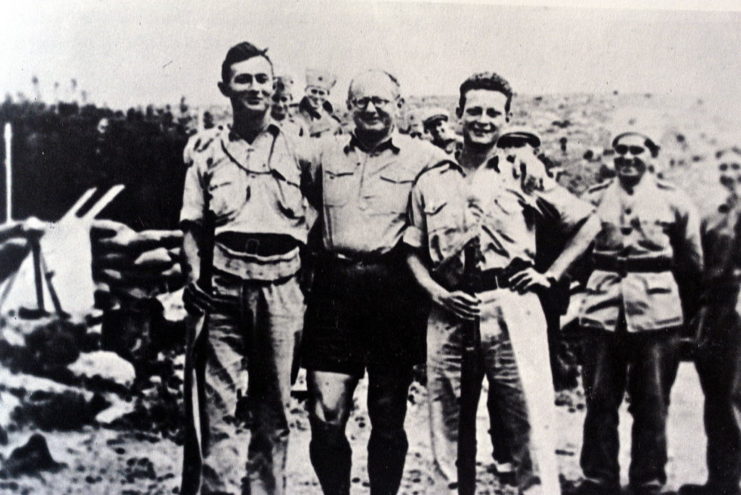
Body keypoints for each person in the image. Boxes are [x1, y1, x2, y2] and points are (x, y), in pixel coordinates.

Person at [404, 72, 599, 495]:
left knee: (530, 420)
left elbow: (587, 222)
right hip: (449, 308)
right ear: (458, 114)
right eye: (474, 110)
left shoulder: (523, 173)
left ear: (506, 119)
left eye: (494, 112)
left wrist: (549, 276)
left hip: (512, 304)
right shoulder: (431, 179)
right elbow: (413, 252)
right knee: (446, 425)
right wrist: (438, 293)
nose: (483, 119)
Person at [299, 69, 449, 495]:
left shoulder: (426, 158)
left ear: (398, 106)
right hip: (334, 289)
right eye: (361, 101)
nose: (371, 108)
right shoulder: (322, 154)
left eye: (381, 100)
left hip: (393, 293)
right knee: (325, 414)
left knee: (387, 415)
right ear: (348, 108)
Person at [179, 41, 307, 495]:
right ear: (225, 88)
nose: (255, 88)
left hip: (283, 287)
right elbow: (193, 226)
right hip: (223, 290)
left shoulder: (302, 151)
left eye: (262, 79)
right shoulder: (206, 153)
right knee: (217, 411)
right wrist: (193, 278)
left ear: (274, 87)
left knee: (275, 412)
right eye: (243, 80)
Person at [576, 132, 704, 495]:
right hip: (602, 309)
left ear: (653, 154)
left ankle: (648, 479)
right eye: (621, 150)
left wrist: (678, 309)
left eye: (637, 150)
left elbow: (691, 263)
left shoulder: (674, 200)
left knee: (652, 400)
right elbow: (579, 252)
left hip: (658, 312)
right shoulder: (594, 197)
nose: (627, 157)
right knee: (600, 398)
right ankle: (598, 477)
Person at [679, 149, 741, 495]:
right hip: (713, 310)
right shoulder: (712, 216)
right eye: (724, 166)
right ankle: (721, 480)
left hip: (738, 306)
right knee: (716, 396)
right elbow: (697, 264)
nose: (729, 172)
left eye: (736, 166)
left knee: (734, 395)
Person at [296, 69, 342, 138]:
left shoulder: (333, 121)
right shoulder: (294, 114)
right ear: (306, 91)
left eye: (321, 93)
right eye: (313, 91)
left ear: (327, 95)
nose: (317, 96)